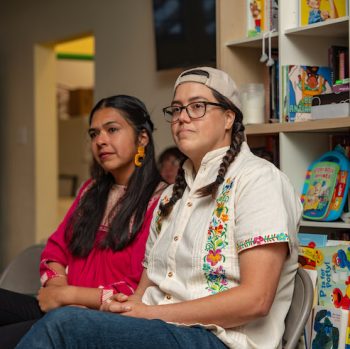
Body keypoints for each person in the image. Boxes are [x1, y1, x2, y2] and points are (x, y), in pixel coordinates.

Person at [16, 67, 303, 349]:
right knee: (63, 320)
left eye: (197, 106)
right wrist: (124, 308)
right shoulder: (172, 197)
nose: (182, 118)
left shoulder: (259, 180)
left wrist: (149, 314)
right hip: (161, 328)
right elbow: (145, 292)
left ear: (229, 117)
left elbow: (256, 299)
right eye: (176, 109)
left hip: (218, 339)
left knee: (65, 324)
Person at [0, 94, 165, 348]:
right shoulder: (91, 191)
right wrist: (57, 289)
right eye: (94, 134)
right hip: (61, 306)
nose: (100, 140)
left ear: (142, 138)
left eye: (112, 130)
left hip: (101, 319)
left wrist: (71, 296)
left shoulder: (162, 200)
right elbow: (56, 249)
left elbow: (139, 288)